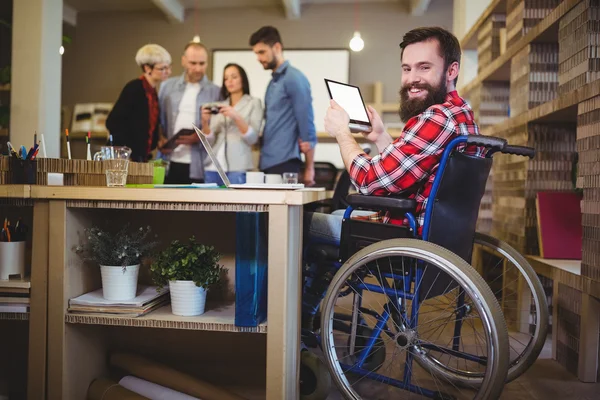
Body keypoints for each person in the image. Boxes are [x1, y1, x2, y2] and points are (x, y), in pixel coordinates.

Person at [301, 26, 487, 329]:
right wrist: (380, 136)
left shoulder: (435, 118)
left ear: (451, 70)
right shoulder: (461, 114)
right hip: (440, 237)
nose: (412, 78)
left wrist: (342, 133)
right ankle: (315, 309)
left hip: (407, 238)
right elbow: (409, 173)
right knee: (336, 215)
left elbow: (369, 181)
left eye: (424, 67)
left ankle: (302, 316)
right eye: (406, 68)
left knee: (301, 223)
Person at [249, 26, 316, 186]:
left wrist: (309, 168)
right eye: (256, 53)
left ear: (277, 47)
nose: (258, 58)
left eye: (262, 52)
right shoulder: (273, 82)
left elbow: (306, 122)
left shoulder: (293, 78)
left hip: (285, 161)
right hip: (268, 160)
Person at [158, 42, 221, 184]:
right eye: (193, 63)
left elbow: (219, 128)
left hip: (199, 163)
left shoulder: (216, 91)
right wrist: (160, 137)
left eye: (202, 63)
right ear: (183, 61)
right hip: (168, 160)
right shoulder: (167, 87)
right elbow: (158, 118)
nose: (198, 68)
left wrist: (200, 137)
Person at [105, 44, 172, 162]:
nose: (168, 72)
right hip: (126, 157)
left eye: (168, 68)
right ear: (147, 68)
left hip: (140, 156)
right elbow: (113, 122)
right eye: (162, 68)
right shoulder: (134, 88)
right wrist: (126, 152)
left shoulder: (152, 92)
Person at [201, 63, 264, 184]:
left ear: (243, 79)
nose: (229, 81)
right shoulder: (219, 105)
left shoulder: (253, 103)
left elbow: (252, 139)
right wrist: (204, 121)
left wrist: (236, 116)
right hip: (213, 166)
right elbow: (208, 142)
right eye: (226, 78)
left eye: (234, 77)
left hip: (238, 166)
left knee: (236, 203)